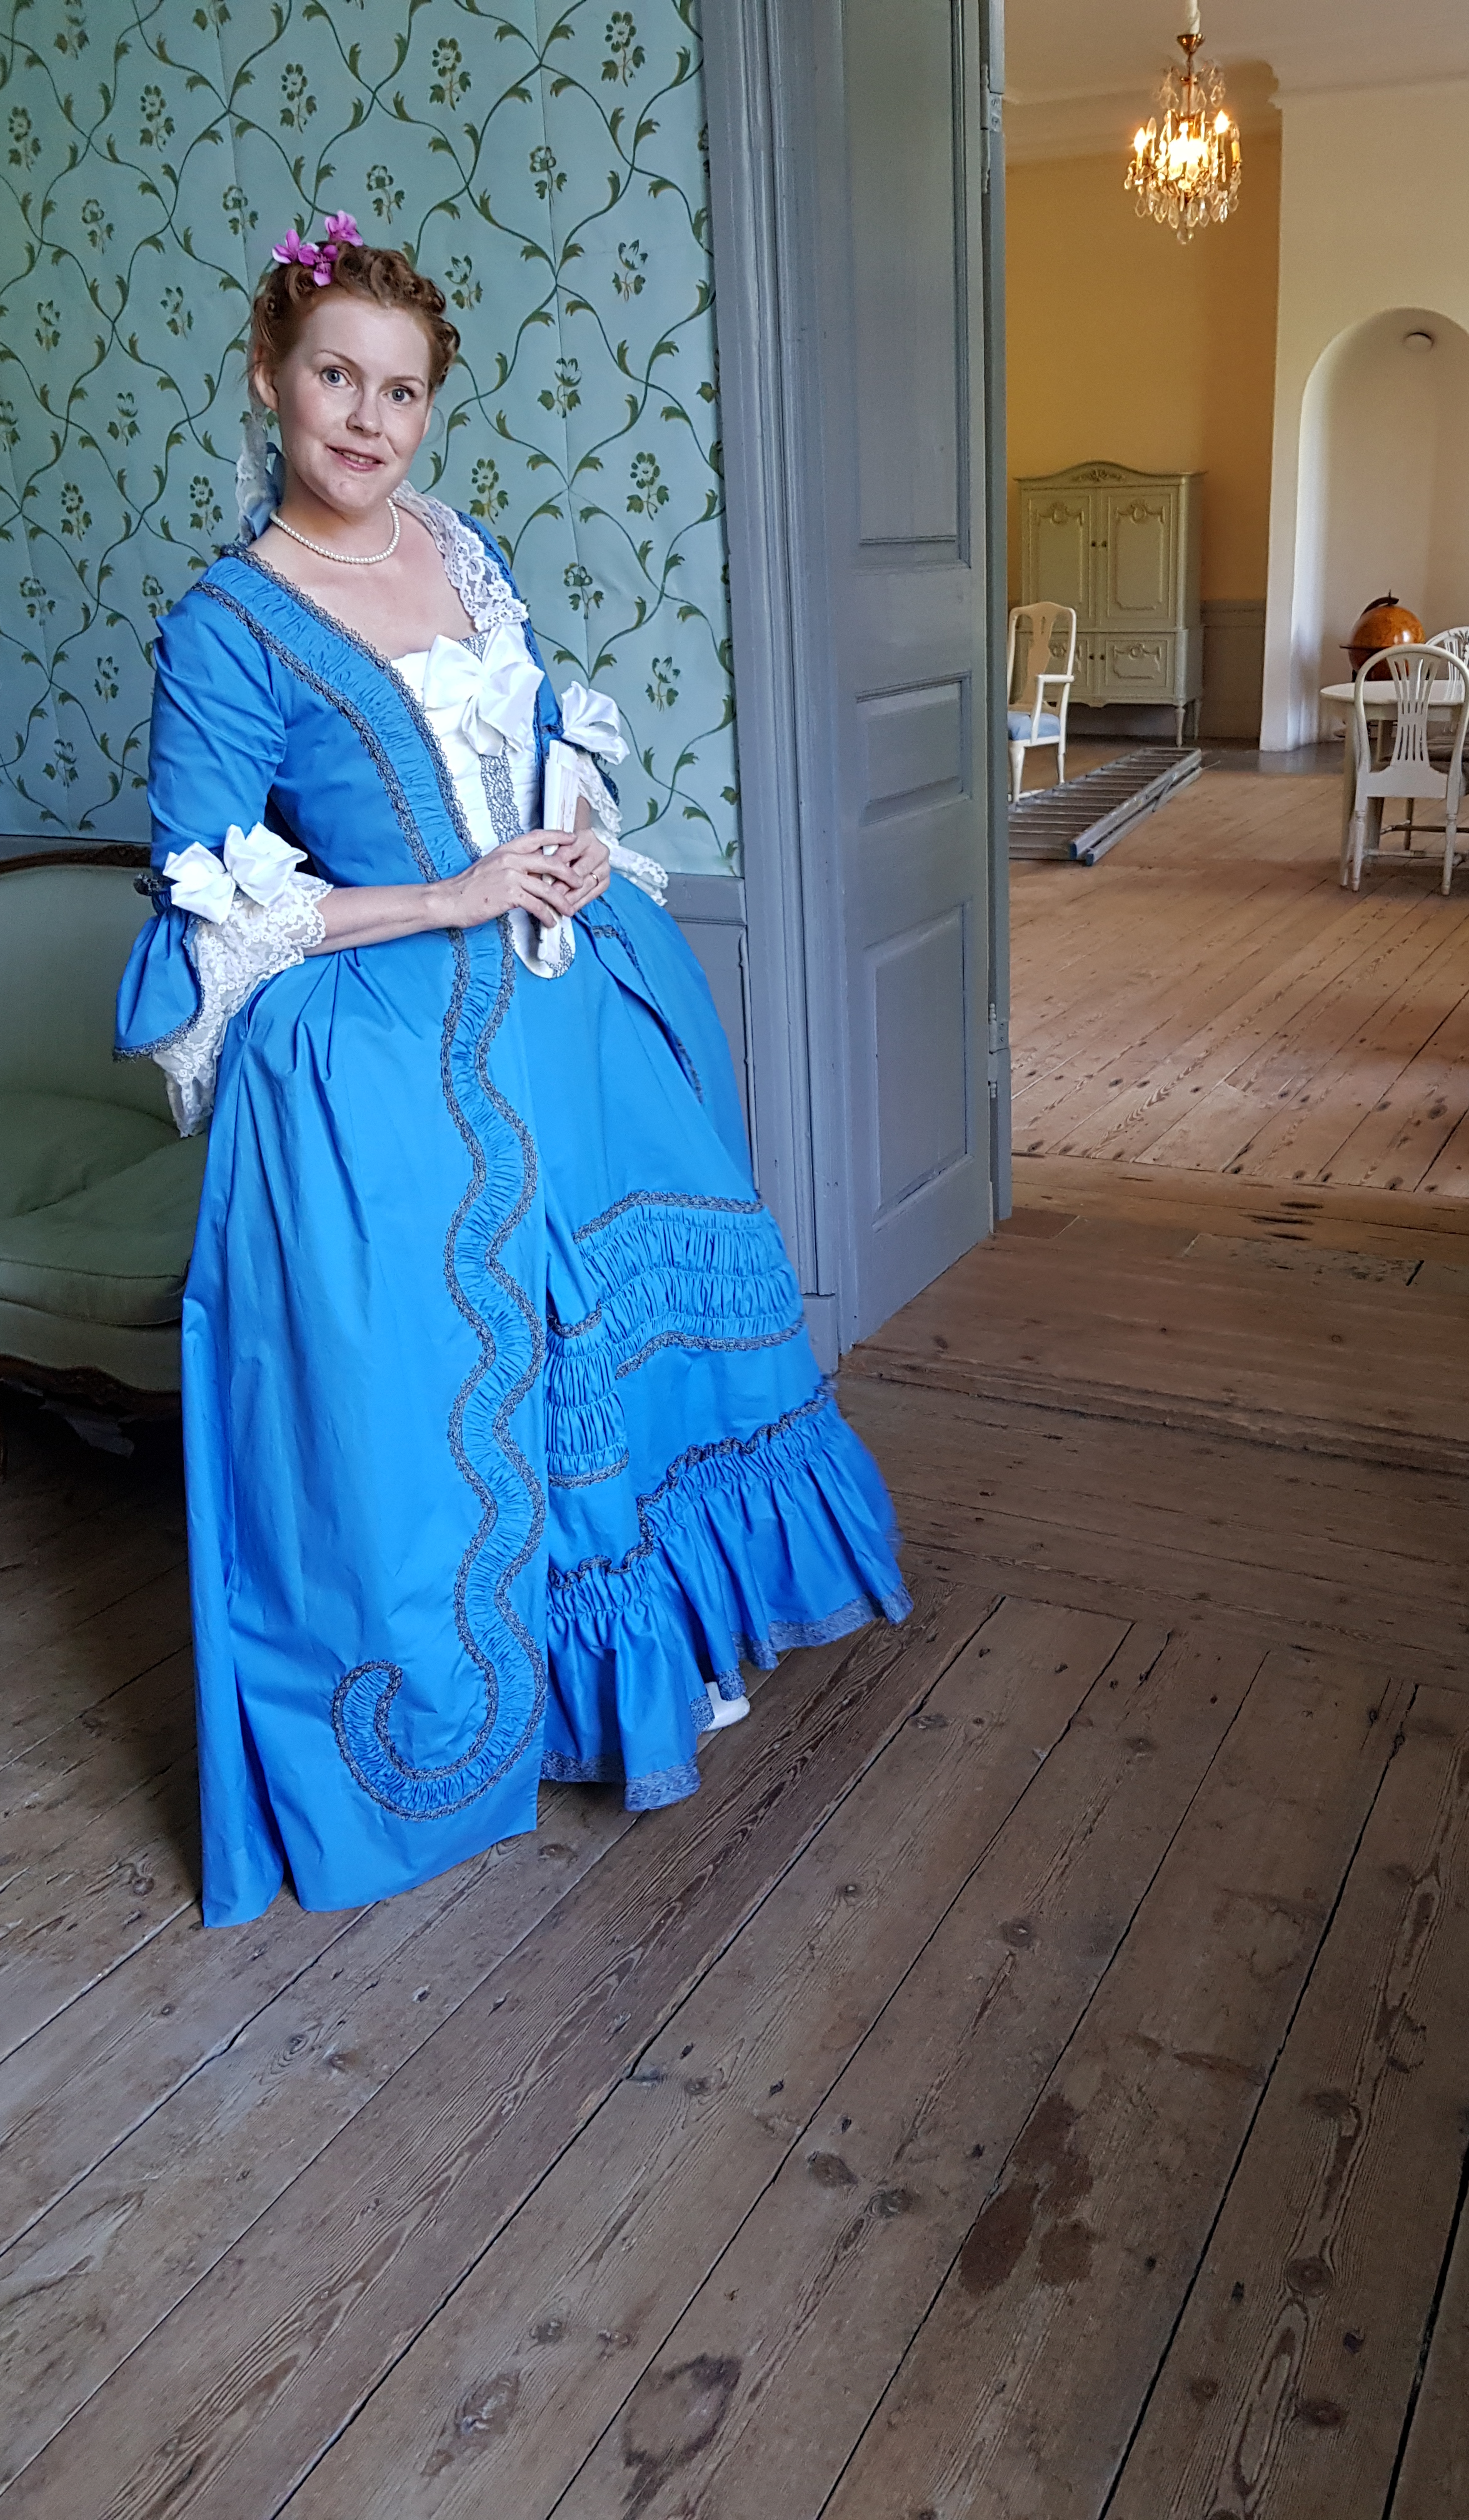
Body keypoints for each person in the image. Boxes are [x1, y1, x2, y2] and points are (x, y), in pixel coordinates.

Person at [116, 214, 909, 1928]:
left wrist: (572, 828)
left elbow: (539, 736)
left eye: (401, 390)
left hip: (567, 990)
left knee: (624, 1334)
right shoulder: (229, 627)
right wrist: (450, 898)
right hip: (395, 1036)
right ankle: (524, 1710)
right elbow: (209, 902)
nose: (368, 418)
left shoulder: (460, 552)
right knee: (492, 1360)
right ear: (269, 379)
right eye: (337, 377)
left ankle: (658, 1655)